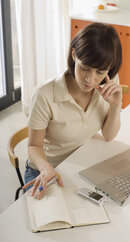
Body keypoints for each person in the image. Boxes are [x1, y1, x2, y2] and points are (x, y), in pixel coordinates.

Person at [23, 22, 122, 199]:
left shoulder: (108, 83)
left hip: (82, 162)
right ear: (74, 54)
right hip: (46, 168)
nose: (90, 79)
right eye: (84, 68)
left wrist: (115, 105)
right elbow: (33, 146)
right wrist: (46, 168)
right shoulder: (45, 93)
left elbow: (108, 135)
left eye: (100, 72)